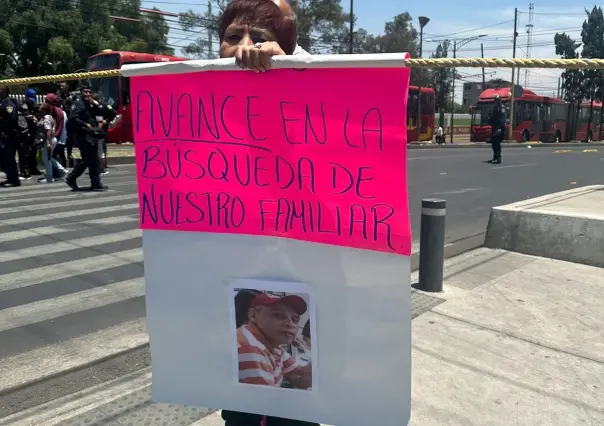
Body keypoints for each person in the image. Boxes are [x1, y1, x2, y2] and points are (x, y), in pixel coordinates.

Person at [65, 86, 108, 191]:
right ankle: (71, 178)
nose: (88, 94)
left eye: (89, 92)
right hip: (82, 136)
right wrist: (86, 126)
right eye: (85, 92)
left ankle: (95, 182)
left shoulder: (91, 104)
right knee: (87, 160)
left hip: (92, 135)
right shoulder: (78, 104)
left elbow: (103, 113)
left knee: (94, 160)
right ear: (81, 93)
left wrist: (96, 104)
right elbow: (73, 118)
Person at [0, 86, 21, 187]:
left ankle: (14, 180)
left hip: (10, 135)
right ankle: (10, 177)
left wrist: (7, 131)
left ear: (4, 91)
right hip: (5, 135)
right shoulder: (3, 102)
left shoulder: (8, 103)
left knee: (9, 158)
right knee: (5, 158)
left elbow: (12, 117)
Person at [24, 89, 43, 176]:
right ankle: (26, 168)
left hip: (34, 131)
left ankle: (33, 167)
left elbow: (40, 115)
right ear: (26, 97)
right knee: (26, 151)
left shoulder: (35, 106)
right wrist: (29, 117)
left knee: (34, 150)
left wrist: (36, 117)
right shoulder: (22, 106)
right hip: (25, 132)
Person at [488, 95, 506, 164]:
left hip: (499, 129)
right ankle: (495, 157)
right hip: (494, 128)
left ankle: (498, 158)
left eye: (498, 100)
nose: (497, 102)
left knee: (497, 144)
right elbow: (493, 118)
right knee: (494, 144)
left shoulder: (502, 108)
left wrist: (499, 129)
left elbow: (503, 120)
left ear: (500, 101)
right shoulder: (495, 108)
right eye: (496, 100)